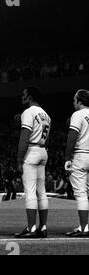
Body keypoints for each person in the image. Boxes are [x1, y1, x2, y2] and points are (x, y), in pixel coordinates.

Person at [15, 87, 51, 239]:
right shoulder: (46, 115)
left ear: (29, 97)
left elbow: (24, 138)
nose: (22, 97)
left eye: (24, 95)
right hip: (43, 150)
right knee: (41, 192)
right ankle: (42, 227)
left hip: (31, 151)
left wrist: (18, 159)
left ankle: (31, 228)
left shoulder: (28, 112)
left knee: (30, 192)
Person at [64, 89, 89, 237]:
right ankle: (85, 226)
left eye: (75, 100)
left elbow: (72, 137)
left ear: (80, 101)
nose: (73, 102)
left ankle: (84, 228)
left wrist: (67, 157)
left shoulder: (78, 114)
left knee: (81, 194)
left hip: (81, 155)